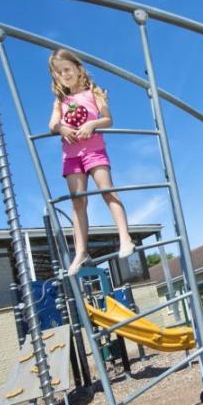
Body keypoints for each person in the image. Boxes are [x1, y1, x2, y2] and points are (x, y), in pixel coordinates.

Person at [47, 48, 135, 275]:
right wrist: (61, 127)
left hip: (94, 151)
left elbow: (108, 119)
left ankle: (125, 238)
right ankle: (81, 251)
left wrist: (91, 124)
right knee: (78, 203)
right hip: (71, 156)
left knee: (107, 191)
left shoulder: (93, 92)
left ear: (78, 69)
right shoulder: (60, 101)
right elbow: (52, 125)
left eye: (67, 69)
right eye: (58, 73)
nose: (64, 75)